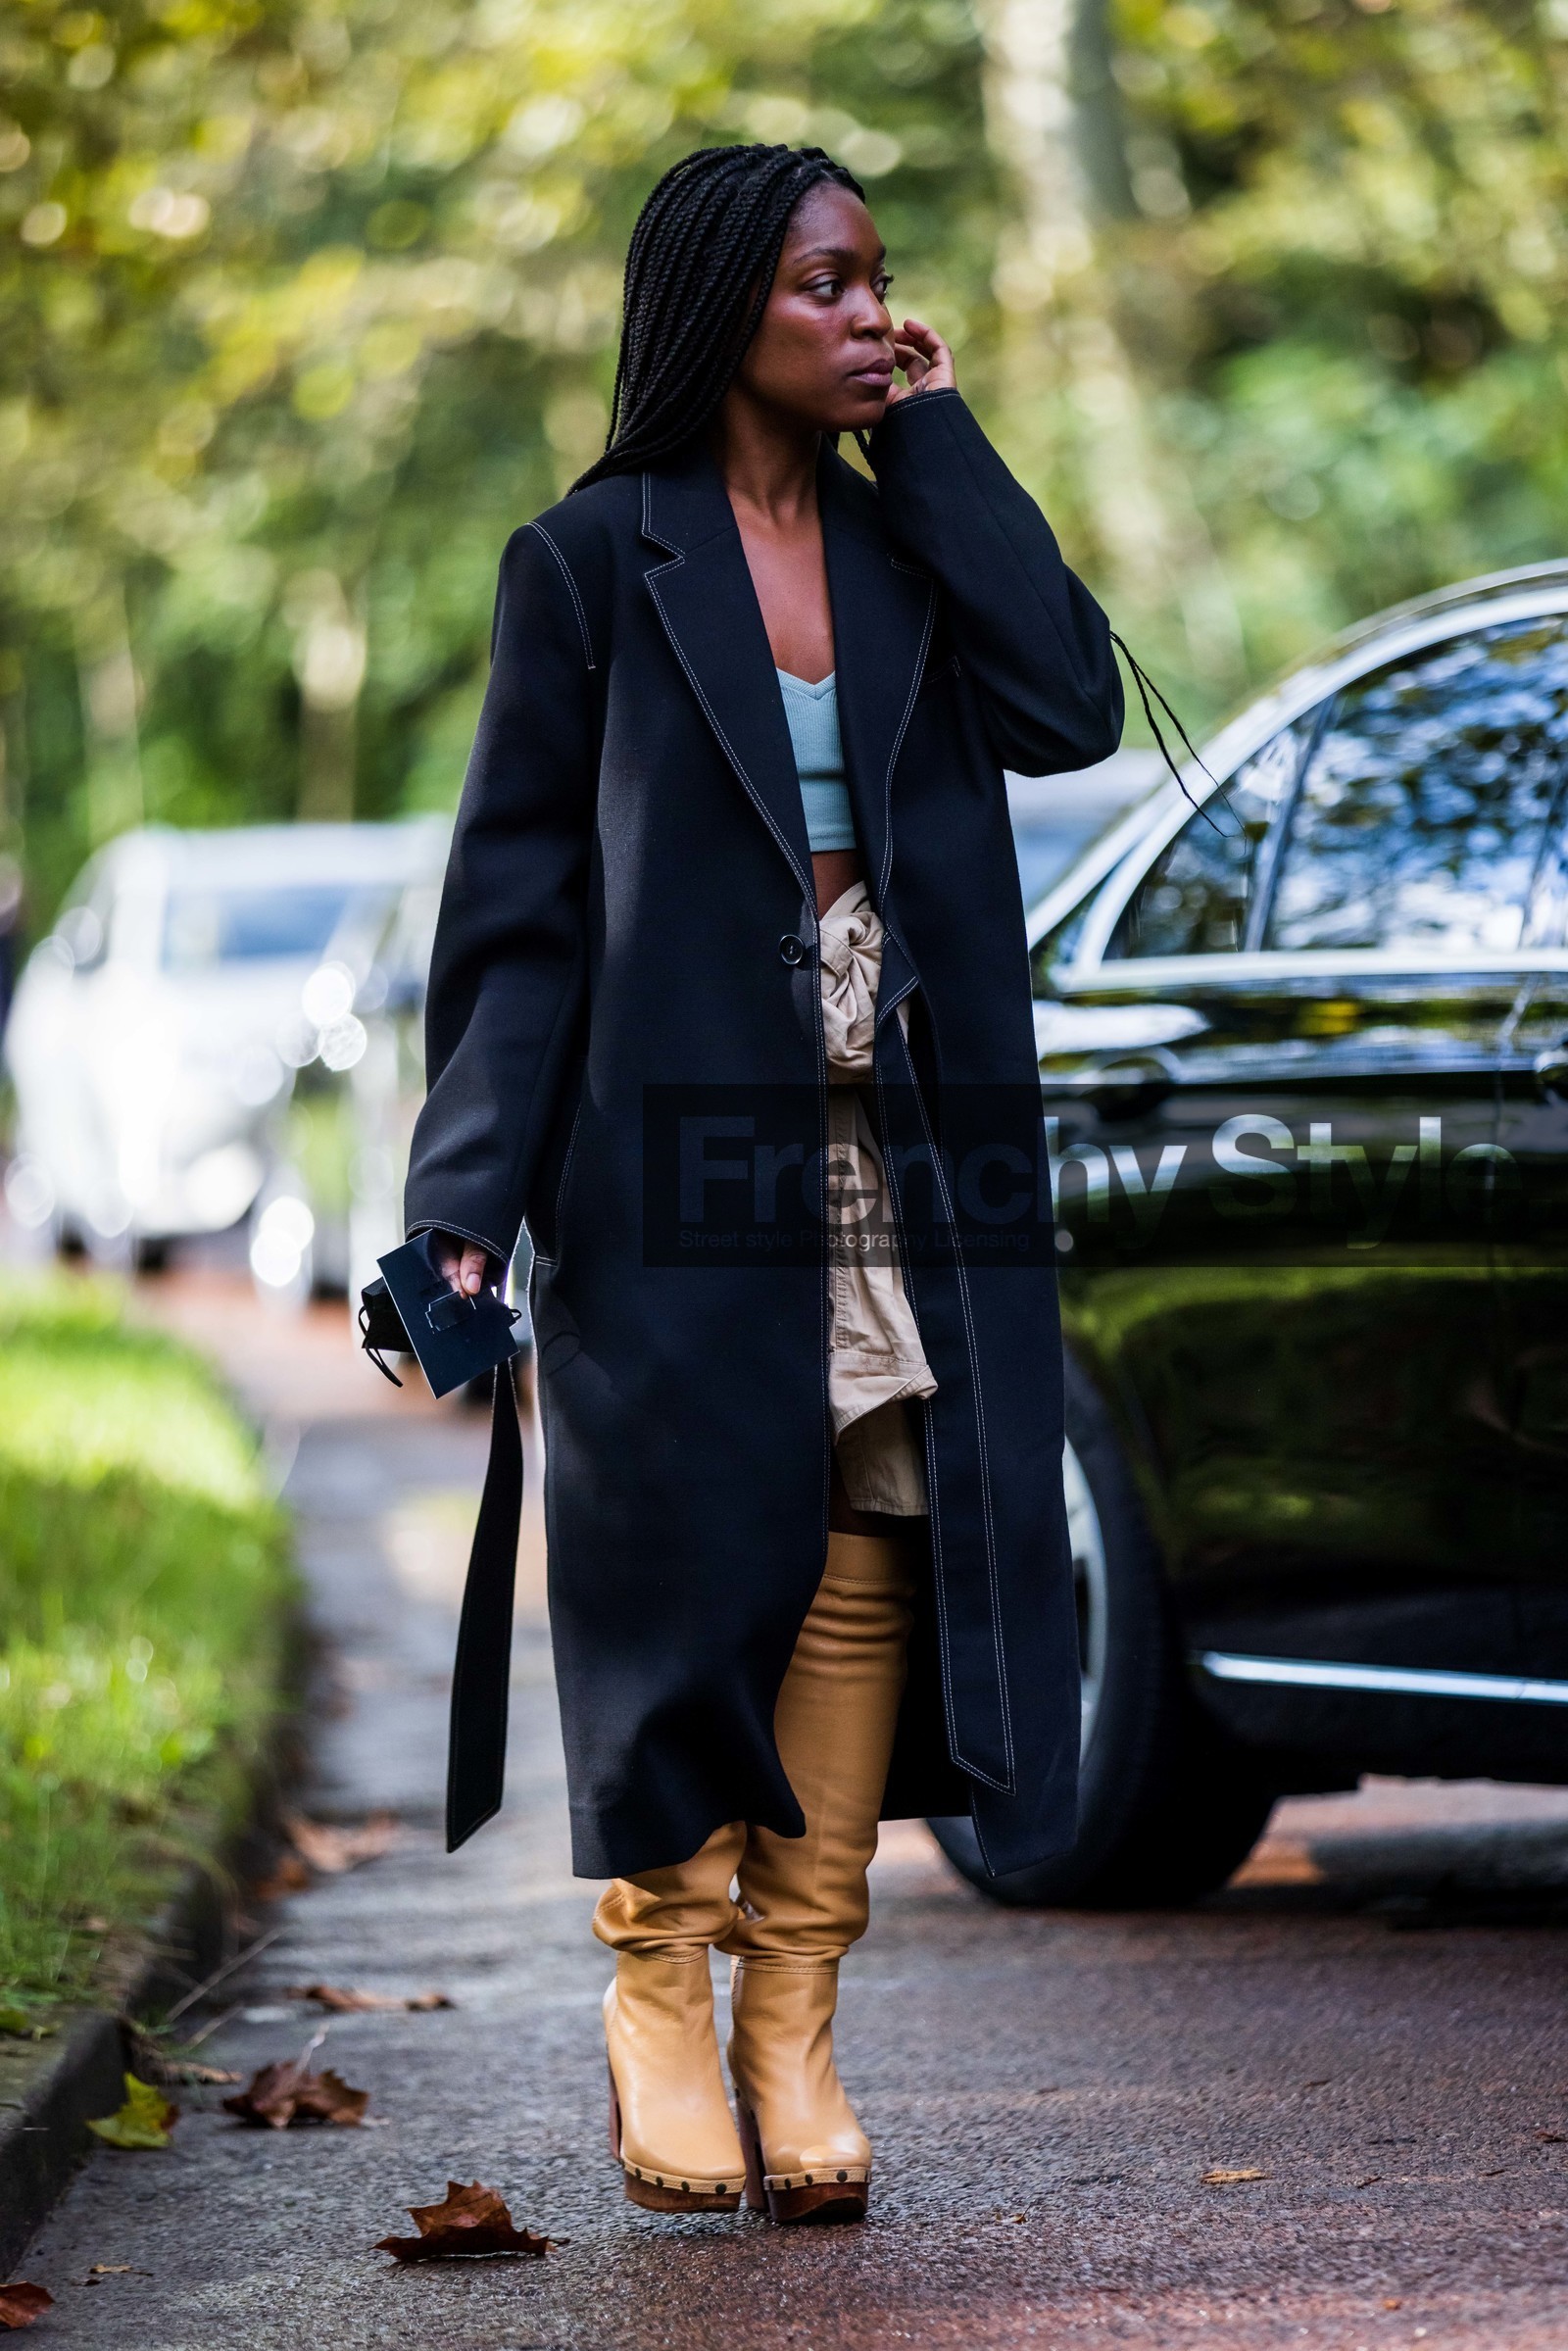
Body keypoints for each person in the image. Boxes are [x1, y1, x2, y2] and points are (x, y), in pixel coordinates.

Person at [408, 142, 1122, 2224]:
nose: (863, 314)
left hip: (901, 1129)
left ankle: (792, 2013)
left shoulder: (915, 557)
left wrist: (953, 431)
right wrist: (466, 1198)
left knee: (872, 1515)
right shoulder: (587, 562)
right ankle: (659, 1983)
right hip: (670, 1146)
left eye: (879, 283)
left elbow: (1068, 704)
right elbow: (519, 917)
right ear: (723, 300)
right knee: (690, 1540)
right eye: (824, 283)